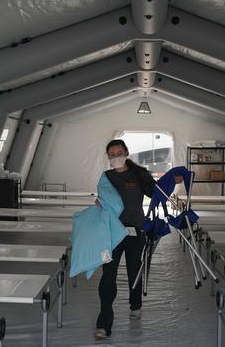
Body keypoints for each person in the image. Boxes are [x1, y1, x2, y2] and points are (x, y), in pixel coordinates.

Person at [94, 139, 156, 340]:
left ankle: (135, 305)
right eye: (112, 155)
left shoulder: (139, 174)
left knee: (134, 271)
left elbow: (157, 193)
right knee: (108, 276)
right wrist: (99, 203)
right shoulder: (107, 177)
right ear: (108, 158)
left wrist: (175, 180)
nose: (116, 157)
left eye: (119, 153)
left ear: (127, 152)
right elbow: (104, 199)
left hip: (135, 231)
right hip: (112, 232)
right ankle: (104, 323)